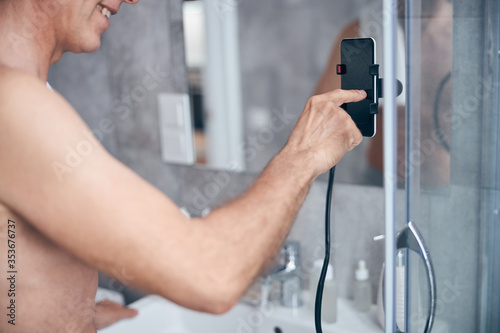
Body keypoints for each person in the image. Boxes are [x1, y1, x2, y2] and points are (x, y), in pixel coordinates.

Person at [0, 0, 365, 332]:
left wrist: (77, 316)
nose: (131, 0)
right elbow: (212, 276)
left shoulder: (31, 97)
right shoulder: (12, 103)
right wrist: (303, 155)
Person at [315, 0, 452, 187]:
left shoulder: (473, 39)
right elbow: (320, 119)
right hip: (382, 183)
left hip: (448, 187)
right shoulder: (366, 30)